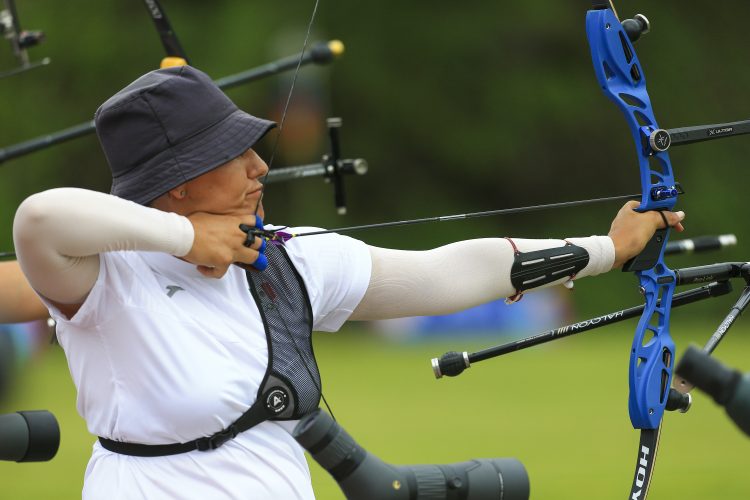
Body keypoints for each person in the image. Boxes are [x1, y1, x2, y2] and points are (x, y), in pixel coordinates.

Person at [13, 65, 684, 499]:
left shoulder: (287, 257)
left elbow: (442, 273)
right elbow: (39, 219)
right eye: (231, 154)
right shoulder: (103, 278)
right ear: (180, 183)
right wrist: (188, 240)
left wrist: (605, 248)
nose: (258, 167)